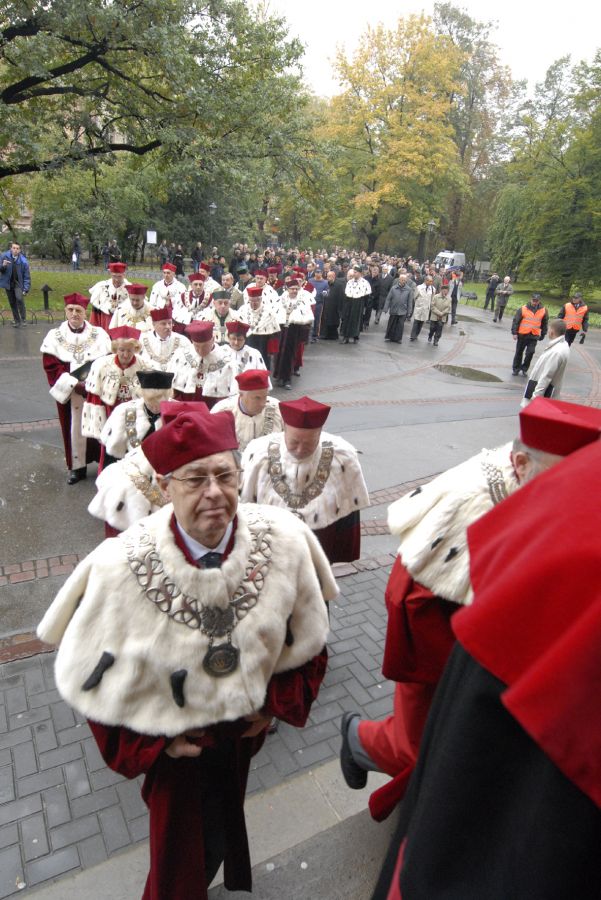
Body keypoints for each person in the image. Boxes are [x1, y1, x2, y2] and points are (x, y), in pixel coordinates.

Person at [38, 406, 336, 900]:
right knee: (177, 863)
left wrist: (273, 706)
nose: (214, 492)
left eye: (224, 475)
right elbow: (91, 676)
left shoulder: (284, 543)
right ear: (166, 486)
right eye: (196, 479)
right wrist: (154, 744)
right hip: (176, 757)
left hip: (239, 740)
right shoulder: (120, 566)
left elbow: (310, 637)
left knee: (218, 833)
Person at [339, 398, 601, 823]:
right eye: (563, 478)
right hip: (431, 634)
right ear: (521, 464)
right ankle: (357, 740)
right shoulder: (474, 501)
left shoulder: (537, 481)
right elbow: (413, 593)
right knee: (424, 745)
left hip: (466, 641)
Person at [241, 395, 370, 563]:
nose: (300, 450)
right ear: (284, 431)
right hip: (270, 547)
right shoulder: (258, 454)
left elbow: (348, 512)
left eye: (309, 444)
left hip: (319, 545)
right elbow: (244, 508)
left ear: (320, 435)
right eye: (294, 442)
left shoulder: (342, 457)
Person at [40, 293, 111, 484]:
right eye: (70, 310)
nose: (74, 314)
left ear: (85, 312)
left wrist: (92, 383)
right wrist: (73, 384)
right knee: (72, 427)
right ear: (65, 311)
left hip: (94, 391)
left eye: (78, 310)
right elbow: (51, 366)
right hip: (70, 393)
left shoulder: (99, 335)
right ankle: (77, 468)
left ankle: (103, 465)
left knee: (99, 425)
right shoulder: (54, 336)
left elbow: (107, 361)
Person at [82, 326, 143, 444]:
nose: (125, 355)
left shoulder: (145, 366)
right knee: (110, 447)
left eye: (129, 350)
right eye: (121, 350)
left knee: (133, 446)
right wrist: (99, 427)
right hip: (109, 414)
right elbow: (94, 399)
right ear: (115, 348)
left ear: (135, 349)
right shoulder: (101, 365)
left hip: (135, 416)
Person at [100, 370, 174, 459]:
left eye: (159, 404)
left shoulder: (177, 411)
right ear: (143, 396)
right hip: (131, 462)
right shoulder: (128, 411)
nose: (155, 408)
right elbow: (115, 447)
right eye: (150, 403)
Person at [211, 369, 283, 451]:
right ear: (241, 395)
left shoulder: (277, 408)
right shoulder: (221, 411)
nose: (263, 403)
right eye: (257, 398)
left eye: (265, 396)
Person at [172, 321, 231, 408]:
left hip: (213, 409)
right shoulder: (182, 355)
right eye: (197, 346)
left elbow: (226, 396)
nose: (201, 351)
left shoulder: (225, 359)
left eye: (205, 346)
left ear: (213, 340)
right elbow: (175, 391)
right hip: (186, 407)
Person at [273, 279, 314, 389]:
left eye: (296, 289)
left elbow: (307, 317)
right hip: (281, 329)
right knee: (278, 353)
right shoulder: (280, 300)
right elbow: (273, 314)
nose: (294, 291)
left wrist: (304, 335)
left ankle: (287, 379)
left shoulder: (303, 301)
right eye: (292, 289)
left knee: (290, 355)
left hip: (294, 330)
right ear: (287, 289)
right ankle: (278, 376)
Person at [521, 319, 570, 406]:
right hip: (547, 391)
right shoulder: (563, 345)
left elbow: (546, 376)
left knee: (531, 413)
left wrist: (535, 397)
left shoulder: (556, 352)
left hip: (542, 394)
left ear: (552, 332)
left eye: (549, 329)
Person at [138, 306, 194, 373]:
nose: (168, 326)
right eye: (163, 324)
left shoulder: (183, 341)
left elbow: (191, 363)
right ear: (154, 324)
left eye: (170, 323)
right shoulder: (142, 340)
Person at [237, 286, 281, 369]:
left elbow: (275, 333)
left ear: (261, 300)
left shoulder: (268, 312)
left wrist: (271, 349)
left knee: (262, 365)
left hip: (263, 343)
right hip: (247, 342)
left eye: (256, 300)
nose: (254, 303)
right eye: (252, 301)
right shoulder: (243, 310)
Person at [511, 292, 548, 376]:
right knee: (519, 352)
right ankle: (516, 369)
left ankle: (524, 368)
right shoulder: (523, 308)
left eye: (536, 301)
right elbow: (516, 321)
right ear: (531, 299)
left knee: (530, 352)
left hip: (534, 335)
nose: (534, 302)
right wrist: (514, 332)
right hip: (522, 334)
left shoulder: (543, 310)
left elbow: (544, 323)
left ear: (539, 301)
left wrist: (543, 334)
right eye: (533, 300)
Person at [89, 262, 130, 331]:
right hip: (104, 324)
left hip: (122, 325)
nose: (116, 279)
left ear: (124, 275)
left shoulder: (130, 290)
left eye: (119, 276)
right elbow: (95, 317)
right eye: (114, 276)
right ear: (110, 274)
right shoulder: (101, 288)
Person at [0, 240, 31, 327]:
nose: (15, 250)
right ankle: (17, 321)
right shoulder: (4, 256)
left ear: (20, 250)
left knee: (19, 299)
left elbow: (27, 277)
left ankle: (23, 319)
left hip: (18, 283)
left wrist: (26, 288)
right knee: (12, 302)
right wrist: (3, 265)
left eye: (17, 248)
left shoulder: (23, 261)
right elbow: (1, 269)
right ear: (11, 248)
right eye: (14, 248)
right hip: (8, 283)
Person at [340, 265, 372, 343]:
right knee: (347, 319)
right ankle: (346, 337)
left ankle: (355, 336)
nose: (354, 274)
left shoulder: (365, 282)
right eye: (354, 272)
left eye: (355, 272)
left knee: (356, 320)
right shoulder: (350, 282)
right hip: (349, 301)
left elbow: (367, 295)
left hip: (359, 302)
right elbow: (346, 292)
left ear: (360, 273)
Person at [383, 274, 414, 344]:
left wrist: (409, 311)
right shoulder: (393, 288)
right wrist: (386, 308)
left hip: (403, 310)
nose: (403, 281)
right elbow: (388, 299)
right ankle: (389, 337)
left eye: (404, 280)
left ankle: (398, 339)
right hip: (394, 308)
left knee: (400, 325)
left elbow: (410, 301)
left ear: (406, 281)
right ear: (399, 280)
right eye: (402, 280)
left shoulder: (409, 289)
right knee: (392, 323)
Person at [321, 269, 345, 340]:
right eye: (327, 276)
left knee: (333, 321)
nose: (328, 278)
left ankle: (333, 335)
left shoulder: (339, 285)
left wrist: (340, 309)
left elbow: (341, 297)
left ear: (334, 276)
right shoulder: (325, 284)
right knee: (325, 320)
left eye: (330, 276)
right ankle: (325, 335)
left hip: (334, 307)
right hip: (326, 306)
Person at [409, 276, 435, 341]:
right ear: (426, 281)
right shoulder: (419, 287)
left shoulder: (432, 289)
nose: (431, 283)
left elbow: (432, 299)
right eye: (430, 281)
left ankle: (416, 335)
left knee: (421, 322)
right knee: (416, 321)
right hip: (419, 307)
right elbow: (415, 297)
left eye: (431, 281)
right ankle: (412, 336)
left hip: (426, 308)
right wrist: (418, 303)